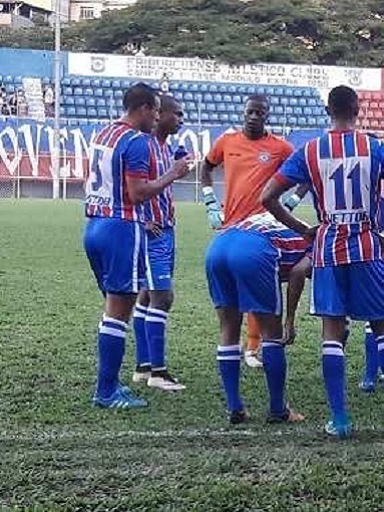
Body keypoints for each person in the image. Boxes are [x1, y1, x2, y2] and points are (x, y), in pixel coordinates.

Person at [260, 85, 384, 438]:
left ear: (328, 111)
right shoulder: (375, 148)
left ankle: (340, 420)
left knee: (332, 333)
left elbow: (268, 196)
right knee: (383, 327)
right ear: (358, 109)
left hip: (329, 246)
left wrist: (304, 229)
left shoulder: (311, 151)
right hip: (367, 244)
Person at [83, 83, 189, 409]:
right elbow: (138, 193)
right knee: (118, 312)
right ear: (142, 108)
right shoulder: (136, 142)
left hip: (95, 225)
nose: (157, 117)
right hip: (122, 228)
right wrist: (173, 174)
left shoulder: (104, 134)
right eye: (155, 110)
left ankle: (112, 383)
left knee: (114, 307)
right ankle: (106, 391)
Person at [198, 95, 295, 368]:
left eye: (259, 113)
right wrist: (209, 200)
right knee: (231, 294)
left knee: (260, 286)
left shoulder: (280, 147)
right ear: (243, 113)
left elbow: (304, 174)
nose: (254, 117)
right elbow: (206, 166)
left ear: (267, 116)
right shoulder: (227, 141)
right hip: (230, 224)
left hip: (262, 228)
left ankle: (254, 347)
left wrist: (290, 202)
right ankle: (241, 345)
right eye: (250, 112)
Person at [205, 212, 308, 424]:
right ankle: (278, 409)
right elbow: (298, 272)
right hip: (254, 250)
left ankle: (235, 407)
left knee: (228, 329)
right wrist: (289, 320)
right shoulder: (320, 242)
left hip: (219, 245)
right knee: (272, 334)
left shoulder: (294, 225)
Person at [131, 94, 187, 392]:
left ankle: (143, 366)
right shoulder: (144, 145)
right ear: (159, 114)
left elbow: (160, 184)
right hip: (152, 232)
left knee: (147, 297)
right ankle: (158, 372)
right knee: (163, 297)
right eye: (176, 114)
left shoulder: (165, 148)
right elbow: (133, 186)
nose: (181, 119)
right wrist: (143, 219)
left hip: (165, 229)